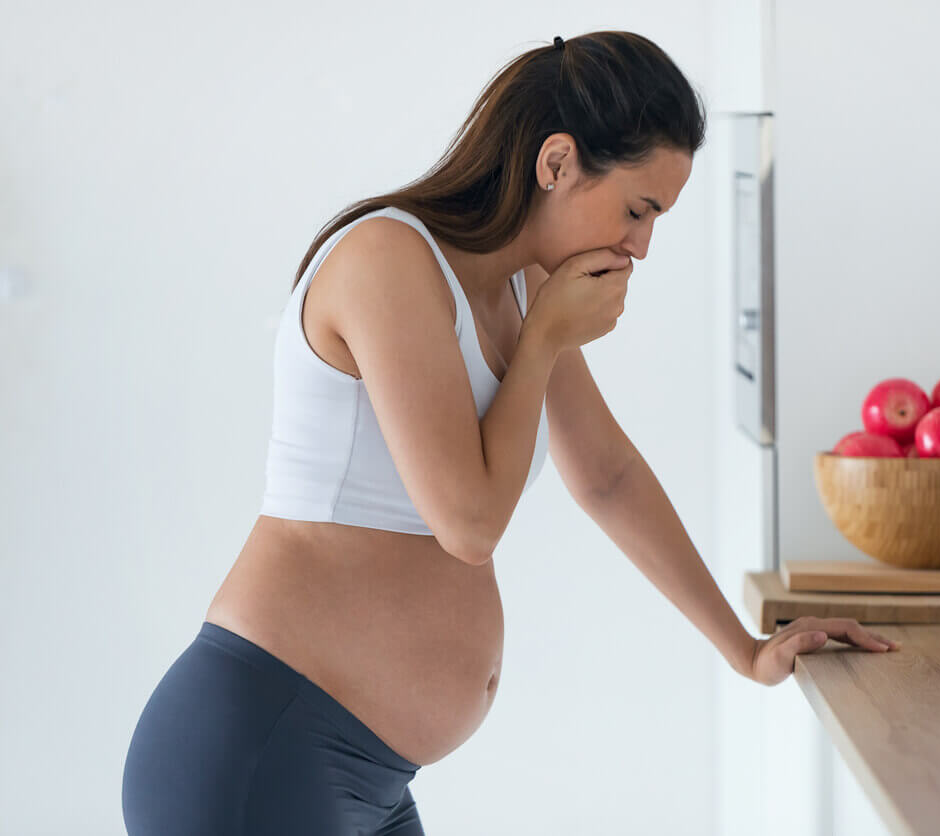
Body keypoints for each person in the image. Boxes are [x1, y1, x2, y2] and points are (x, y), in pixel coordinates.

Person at [121, 30, 899, 836]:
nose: (641, 245)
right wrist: (543, 343)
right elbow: (469, 524)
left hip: (371, 775)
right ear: (557, 162)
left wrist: (744, 650)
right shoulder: (388, 260)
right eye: (638, 210)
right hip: (262, 748)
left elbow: (607, 477)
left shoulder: (523, 288)